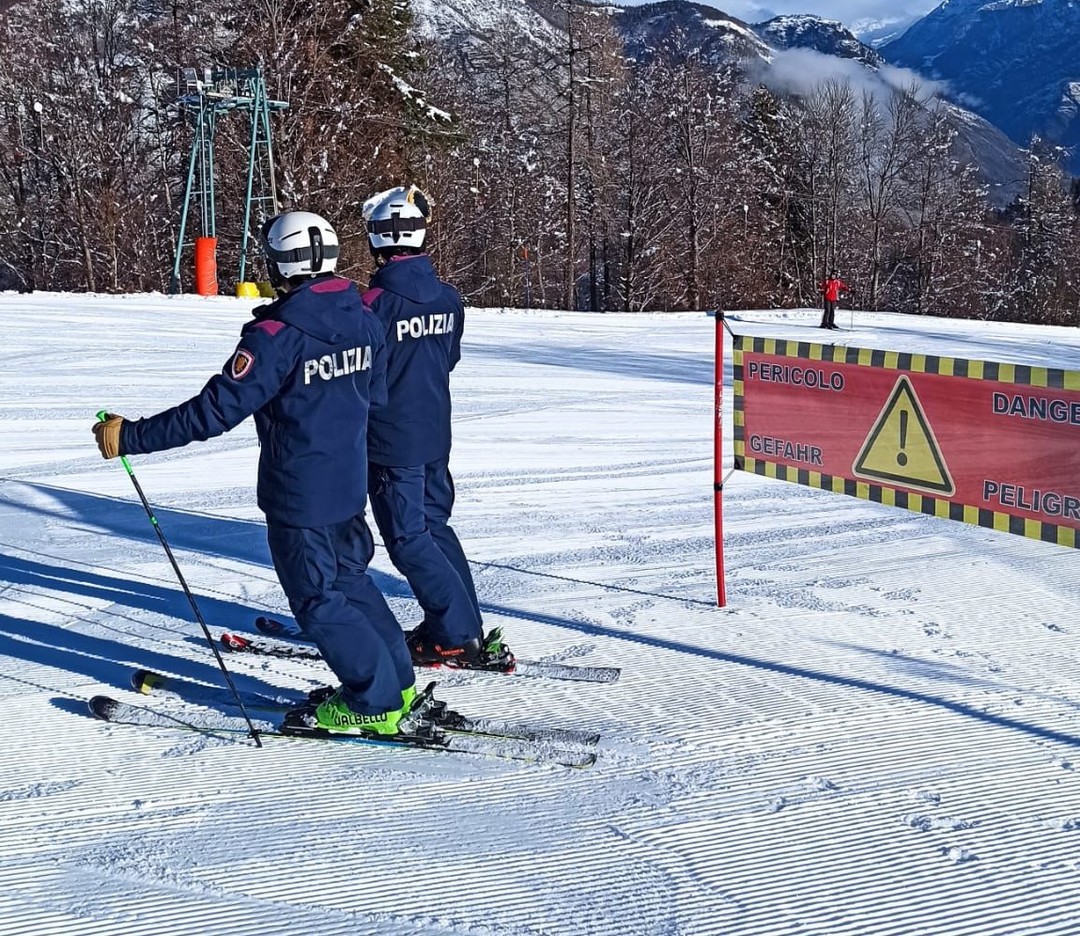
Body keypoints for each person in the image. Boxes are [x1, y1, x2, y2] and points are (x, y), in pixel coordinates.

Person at [92, 211, 418, 736]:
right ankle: (395, 681)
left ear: (277, 263)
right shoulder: (363, 316)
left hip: (301, 490)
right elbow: (375, 395)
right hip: (348, 479)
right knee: (349, 579)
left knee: (317, 596)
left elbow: (214, 412)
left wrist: (131, 436)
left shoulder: (276, 335)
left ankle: (376, 698)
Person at [360, 185, 513, 670]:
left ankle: (454, 633)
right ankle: (460, 624)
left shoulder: (373, 306)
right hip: (433, 430)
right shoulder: (448, 299)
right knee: (433, 526)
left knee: (408, 538)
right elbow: (448, 359)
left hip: (390, 439)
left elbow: (361, 374)